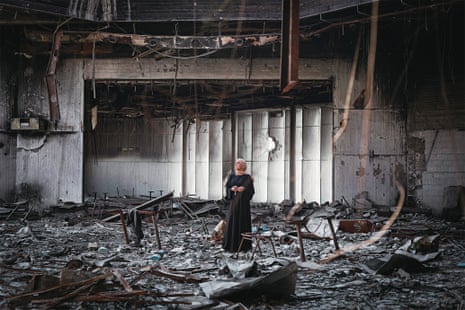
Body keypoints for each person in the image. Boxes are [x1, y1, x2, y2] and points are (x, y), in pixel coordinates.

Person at [222, 158, 255, 252]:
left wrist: (244, 190)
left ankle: (244, 246)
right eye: (236, 163)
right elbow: (227, 187)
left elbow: (251, 191)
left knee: (243, 222)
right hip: (234, 203)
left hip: (244, 204)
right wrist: (232, 189)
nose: (237, 164)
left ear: (243, 165)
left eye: (239, 163)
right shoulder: (232, 176)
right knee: (232, 222)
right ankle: (230, 245)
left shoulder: (247, 177)